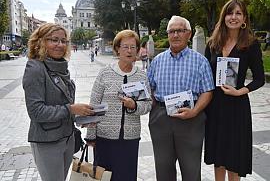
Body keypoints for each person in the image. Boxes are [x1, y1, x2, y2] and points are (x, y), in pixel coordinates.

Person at [22, 23, 93, 181]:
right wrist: (71, 109)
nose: (60, 45)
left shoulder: (61, 67)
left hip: (67, 138)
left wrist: (82, 117)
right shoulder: (35, 68)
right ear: (41, 42)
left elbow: (64, 103)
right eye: (54, 40)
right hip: (48, 141)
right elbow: (36, 112)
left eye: (63, 41)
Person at [147, 15, 214, 181]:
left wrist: (195, 111)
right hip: (161, 119)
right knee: (163, 170)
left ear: (189, 34)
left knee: (191, 170)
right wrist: (156, 111)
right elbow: (149, 88)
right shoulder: (157, 61)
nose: (175, 35)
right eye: (172, 31)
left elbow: (208, 91)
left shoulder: (200, 61)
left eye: (180, 31)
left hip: (191, 119)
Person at [204, 0, 265, 181]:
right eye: (230, 13)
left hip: (237, 106)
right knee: (218, 154)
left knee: (233, 155)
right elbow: (205, 74)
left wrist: (240, 91)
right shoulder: (212, 43)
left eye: (238, 13)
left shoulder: (251, 44)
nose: (234, 17)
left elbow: (260, 79)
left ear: (244, 18)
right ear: (224, 17)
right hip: (215, 106)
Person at [86, 29, 152, 181]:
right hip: (104, 138)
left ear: (137, 50)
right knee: (104, 177)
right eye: (125, 47)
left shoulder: (141, 76)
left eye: (133, 47)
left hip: (130, 138)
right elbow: (93, 104)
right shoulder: (105, 73)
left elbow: (148, 105)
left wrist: (134, 105)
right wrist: (91, 135)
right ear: (117, 49)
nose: (129, 51)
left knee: (126, 176)